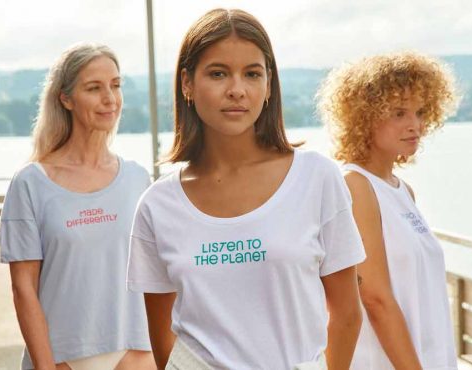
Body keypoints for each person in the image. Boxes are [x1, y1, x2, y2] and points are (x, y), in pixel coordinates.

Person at [127, 8, 366, 370]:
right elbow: (162, 339)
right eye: (218, 73)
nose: (237, 90)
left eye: (252, 74)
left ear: (268, 85)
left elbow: (347, 313)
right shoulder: (157, 205)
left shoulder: (317, 178)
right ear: (187, 84)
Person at [0, 43, 155, 370]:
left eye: (115, 85)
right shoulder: (30, 183)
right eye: (94, 88)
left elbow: (156, 277)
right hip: (62, 357)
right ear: (66, 98)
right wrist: (44, 366)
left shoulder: (138, 179)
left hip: (135, 352)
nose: (109, 98)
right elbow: (23, 288)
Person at [318, 51, 459, 369]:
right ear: (364, 116)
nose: (415, 125)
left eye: (420, 112)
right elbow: (375, 298)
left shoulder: (403, 191)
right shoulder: (355, 185)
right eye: (398, 113)